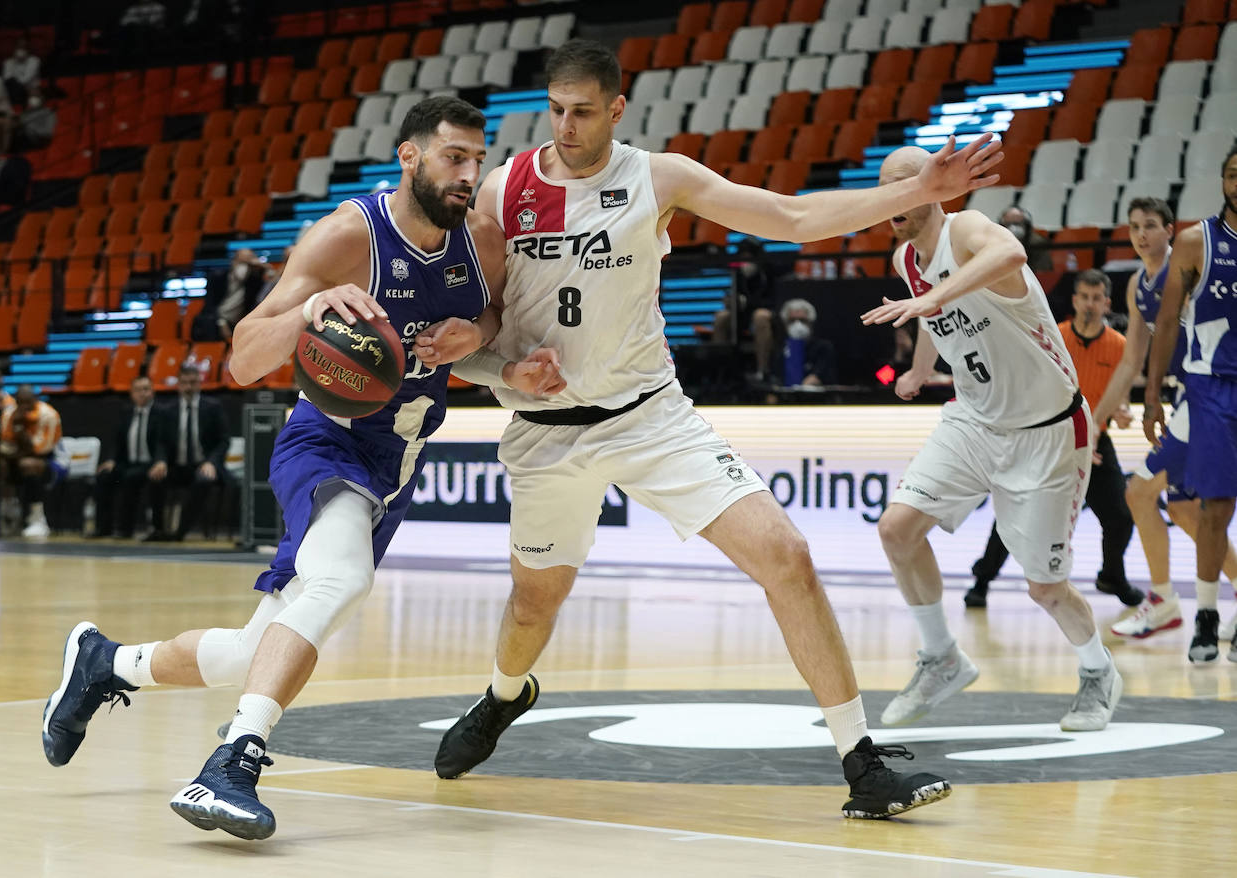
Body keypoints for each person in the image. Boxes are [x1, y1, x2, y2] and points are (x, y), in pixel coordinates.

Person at [416, 40, 1004, 819]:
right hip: (547, 431)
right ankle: (503, 694)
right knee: (532, 606)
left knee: (788, 556)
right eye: (556, 110)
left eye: (583, 111)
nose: (566, 126)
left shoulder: (658, 177)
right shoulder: (505, 187)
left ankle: (861, 763)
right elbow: (484, 324)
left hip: (651, 418)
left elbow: (791, 217)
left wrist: (920, 187)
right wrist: (506, 371)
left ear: (616, 109)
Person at [38, 97, 565, 841]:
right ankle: (232, 763)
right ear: (409, 156)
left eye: (476, 161)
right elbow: (244, 359)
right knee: (340, 580)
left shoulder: (480, 240)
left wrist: (480, 343)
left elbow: (489, 323)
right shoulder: (349, 236)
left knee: (251, 653)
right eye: (454, 158)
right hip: (325, 444)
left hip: (397, 464)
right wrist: (311, 306)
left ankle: (107, 664)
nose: (467, 175)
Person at [861, 146, 1121, 732]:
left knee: (1045, 588)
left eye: (904, 183)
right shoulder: (906, 259)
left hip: (1047, 430)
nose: (892, 196)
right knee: (897, 530)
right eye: (885, 186)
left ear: (932, 187)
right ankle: (941, 658)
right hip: (975, 421)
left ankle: (1098, 671)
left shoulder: (967, 229)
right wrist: (920, 370)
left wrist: (935, 297)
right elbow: (932, 318)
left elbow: (1011, 253)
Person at [1093, 196, 1237, 642]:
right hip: (1182, 400)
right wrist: (1095, 424)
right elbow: (1130, 360)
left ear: (1170, 230)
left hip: (1207, 393)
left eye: (1151, 225)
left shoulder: (1190, 267)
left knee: (1138, 493)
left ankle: (1162, 601)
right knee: (1183, 510)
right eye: (1135, 226)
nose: (1141, 234)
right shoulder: (1138, 283)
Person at [964, 269, 1142, 608]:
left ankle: (1112, 575)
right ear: (1074, 300)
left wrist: (1122, 411)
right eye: (1084, 297)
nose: (1089, 304)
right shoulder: (1053, 337)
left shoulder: (1120, 347)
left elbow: (1120, 398)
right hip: (1047, 438)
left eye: (1096, 298)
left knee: (1120, 516)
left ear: (1107, 304)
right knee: (1017, 513)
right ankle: (982, 580)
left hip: (1094, 442)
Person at [1143, 143, 1237, 663]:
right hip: (1211, 386)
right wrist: (1152, 395)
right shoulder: (1195, 241)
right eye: (1232, 174)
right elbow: (1165, 324)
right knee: (1214, 506)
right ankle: (1205, 614)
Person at [142, 363, 227, 541]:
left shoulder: (213, 407)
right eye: (185, 383)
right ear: (179, 384)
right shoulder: (167, 410)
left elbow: (223, 441)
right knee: (155, 477)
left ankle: (180, 532)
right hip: (177, 465)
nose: (189, 387)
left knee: (203, 480)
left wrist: (211, 462)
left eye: (193, 382)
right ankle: (158, 529)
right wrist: (160, 461)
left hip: (203, 465)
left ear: (200, 383)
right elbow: (161, 442)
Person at [93, 375, 157, 538]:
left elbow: (163, 442)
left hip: (150, 464)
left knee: (131, 478)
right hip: (128, 463)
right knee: (104, 476)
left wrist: (160, 461)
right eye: (138, 390)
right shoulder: (126, 413)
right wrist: (111, 460)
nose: (142, 393)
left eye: (146, 389)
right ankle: (103, 528)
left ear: (152, 392)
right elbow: (118, 441)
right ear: (131, 393)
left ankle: (125, 529)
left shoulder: (161, 413)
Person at [0, 385, 63, 538]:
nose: (24, 407)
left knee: (29, 464)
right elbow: (4, 446)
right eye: (20, 402)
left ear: (35, 400)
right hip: (17, 458)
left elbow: (40, 451)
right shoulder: (9, 414)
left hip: (53, 461)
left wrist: (20, 430)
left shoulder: (48, 415)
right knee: (0, 465)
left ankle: (37, 519)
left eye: (27, 402)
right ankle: (7, 514)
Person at [710, 237, 775, 379]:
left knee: (760, 316)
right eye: (743, 258)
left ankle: (762, 371)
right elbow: (735, 295)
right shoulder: (738, 273)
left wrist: (749, 302)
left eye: (749, 258)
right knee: (721, 317)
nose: (746, 263)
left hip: (764, 315)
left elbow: (773, 300)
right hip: (741, 316)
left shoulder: (770, 271)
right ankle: (721, 372)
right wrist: (731, 301)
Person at [776, 297, 838, 386]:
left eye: (803, 320)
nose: (797, 325)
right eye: (792, 321)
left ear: (811, 322)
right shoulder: (780, 349)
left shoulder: (824, 348)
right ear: (785, 324)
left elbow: (818, 378)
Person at [208, 248, 267, 340]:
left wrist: (261, 267)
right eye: (241, 263)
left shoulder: (254, 280)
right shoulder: (219, 278)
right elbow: (211, 304)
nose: (243, 269)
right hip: (219, 320)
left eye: (247, 264)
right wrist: (221, 322)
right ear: (234, 261)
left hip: (242, 321)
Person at [999, 206, 1052, 273]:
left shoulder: (1038, 243)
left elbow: (1043, 271)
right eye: (1008, 224)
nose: (1013, 228)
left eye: (1017, 224)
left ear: (1027, 226)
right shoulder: (997, 242)